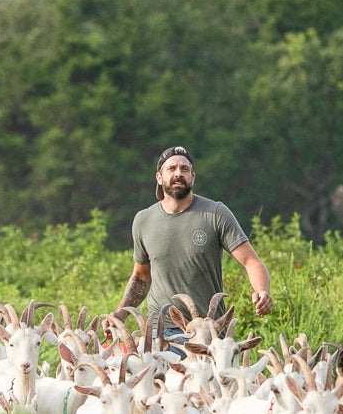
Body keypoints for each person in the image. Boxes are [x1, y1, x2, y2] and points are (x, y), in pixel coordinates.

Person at [112, 146, 272, 346]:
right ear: (159, 178)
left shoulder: (215, 213)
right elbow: (142, 276)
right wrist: (120, 314)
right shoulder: (143, 220)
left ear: (193, 177)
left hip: (205, 328)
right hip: (159, 331)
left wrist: (262, 290)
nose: (178, 174)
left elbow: (251, 261)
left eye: (184, 169)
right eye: (171, 169)